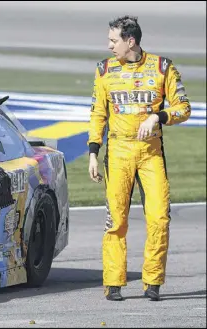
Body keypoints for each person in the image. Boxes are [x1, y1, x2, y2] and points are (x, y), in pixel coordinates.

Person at [87, 15, 191, 301]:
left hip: (151, 154)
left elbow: (184, 107)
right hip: (118, 153)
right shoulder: (104, 70)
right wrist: (93, 153)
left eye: (113, 40)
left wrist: (159, 117)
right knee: (116, 221)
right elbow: (98, 113)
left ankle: (153, 281)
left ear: (129, 41)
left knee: (159, 217)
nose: (108, 46)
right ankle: (113, 282)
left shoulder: (162, 67)